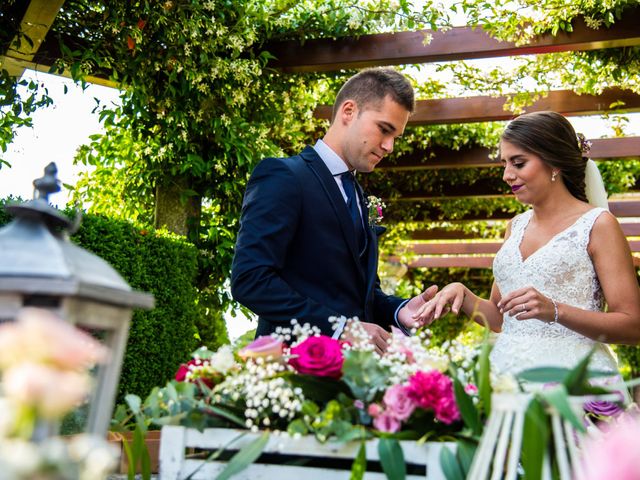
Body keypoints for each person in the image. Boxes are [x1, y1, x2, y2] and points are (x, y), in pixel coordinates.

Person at [413, 111, 640, 377]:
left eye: (518, 163)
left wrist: (556, 310)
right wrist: (463, 295)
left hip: (573, 382)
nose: (507, 175)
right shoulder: (515, 226)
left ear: (554, 163)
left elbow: (633, 326)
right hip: (507, 378)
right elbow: (500, 319)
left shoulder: (598, 225)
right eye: (504, 164)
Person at [231, 68, 437, 354]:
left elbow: (361, 294)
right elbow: (250, 280)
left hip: (353, 379)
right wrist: (340, 328)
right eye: (384, 129)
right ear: (349, 111)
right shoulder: (284, 175)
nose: (389, 147)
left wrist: (397, 310)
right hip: (292, 372)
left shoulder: (358, 194)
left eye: (396, 137)